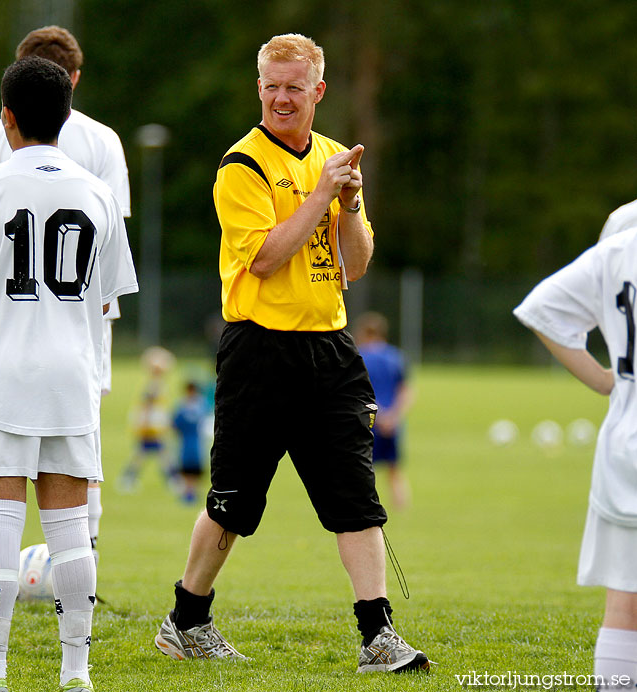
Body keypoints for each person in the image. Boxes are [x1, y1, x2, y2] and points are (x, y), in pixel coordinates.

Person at [153, 33, 429, 674]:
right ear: (259, 88)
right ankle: (187, 617)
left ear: (318, 91)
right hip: (259, 351)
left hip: (331, 349)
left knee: (356, 497)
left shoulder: (334, 159)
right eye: (272, 85)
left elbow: (355, 264)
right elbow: (268, 259)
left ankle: (378, 634)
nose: (282, 97)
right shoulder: (241, 166)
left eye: (294, 87)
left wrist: (351, 202)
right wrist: (320, 197)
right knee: (234, 502)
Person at [0, 56, 138, 692]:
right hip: (71, 379)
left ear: (7, 118)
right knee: (72, 532)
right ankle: (75, 673)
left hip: (1, 379)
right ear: (67, 115)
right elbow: (107, 298)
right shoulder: (97, 191)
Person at [0, 25, 132, 553]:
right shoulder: (102, 139)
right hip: (78, 322)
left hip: (1, 320)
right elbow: (111, 250)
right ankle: (87, 550)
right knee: (82, 439)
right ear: (74, 81)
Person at [513, 226, 637, 689]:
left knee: (625, 601)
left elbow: (543, 310)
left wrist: (607, 381)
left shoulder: (622, 246)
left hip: (627, 445)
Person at [355, 312, 413, 510]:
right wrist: (394, 416)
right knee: (394, 470)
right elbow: (405, 390)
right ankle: (401, 508)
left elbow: (359, 391)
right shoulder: (396, 356)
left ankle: (365, 508)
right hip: (393, 423)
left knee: (361, 469)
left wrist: (379, 416)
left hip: (369, 421)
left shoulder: (359, 356)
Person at [118, 346, 174, 493]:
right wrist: (145, 423)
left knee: (146, 455)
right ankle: (173, 481)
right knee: (158, 455)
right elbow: (148, 406)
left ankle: (128, 479)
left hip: (152, 426)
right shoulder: (154, 385)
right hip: (151, 427)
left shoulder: (156, 384)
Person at [172, 381, 207, 504]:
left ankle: (191, 492)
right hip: (188, 441)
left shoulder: (188, 406)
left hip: (194, 441)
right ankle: (189, 492)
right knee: (187, 466)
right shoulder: (195, 405)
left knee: (194, 466)